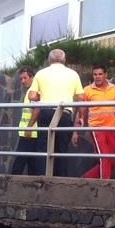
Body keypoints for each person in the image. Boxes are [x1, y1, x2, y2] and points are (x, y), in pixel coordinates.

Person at [28, 48, 83, 176]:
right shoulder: (73, 74)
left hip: (45, 112)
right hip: (64, 113)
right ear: (64, 60)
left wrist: (41, 97)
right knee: (62, 148)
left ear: (49, 60)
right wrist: (81, 118)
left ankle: (42, 177)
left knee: (43, 147)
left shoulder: (41, 74)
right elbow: (81, 98)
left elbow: (31, 96)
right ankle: (61, 179)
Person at [75, 64, 115, 180]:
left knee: (111, 161)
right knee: (104, 158)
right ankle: (103, 185)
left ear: (106, 75)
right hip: (96, 128)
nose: (97, 77)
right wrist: (75, 132)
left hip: (112, 128)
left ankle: (85, 178)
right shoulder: (87, 90)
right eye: (95, 74)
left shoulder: (114, 89)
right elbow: (80, 111)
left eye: (100, 74)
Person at [10, 66, 43, 175]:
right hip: (29, 132)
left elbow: (37, 109)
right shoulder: (31, 91)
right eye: (21, 79)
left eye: (25, 78)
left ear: (32, 77)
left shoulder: (33, 92)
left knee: (20, 162)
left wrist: (29, 127)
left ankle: (11, 184)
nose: (23, 81)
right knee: (31, 163)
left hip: (30, 132)